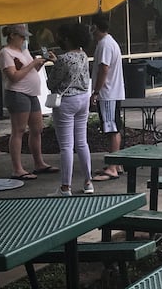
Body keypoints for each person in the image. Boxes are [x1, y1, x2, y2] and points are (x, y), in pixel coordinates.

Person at [0, 23, 58, 180]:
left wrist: (41, 62)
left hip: (32, 93)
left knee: (37, 128)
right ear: (12, 36)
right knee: (18, 130)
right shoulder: (6, 53)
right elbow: (14, 76)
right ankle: (17, 168)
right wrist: (33, 63)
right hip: (17, 93)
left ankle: (39, 163)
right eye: (21, 36)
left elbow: (31, 71)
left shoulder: (24, 51)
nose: (24, 39)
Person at [46, 23, 94, 196]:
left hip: (66, 102)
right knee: (82, 142)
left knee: (66, 146)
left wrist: (55, 64)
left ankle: (65, 187)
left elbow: (51, 83)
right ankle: (88, 182)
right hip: (83, 99)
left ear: (67, 38)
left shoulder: (65, 59)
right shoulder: (83, 55)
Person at [90, 14, 125, 181]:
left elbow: (104, 69)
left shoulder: (105, 44)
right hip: (112, 92)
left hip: (108, 93)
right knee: (113, 127)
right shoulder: (108, 42)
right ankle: (116, 163)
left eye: (91, 26)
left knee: (111, 129)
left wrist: (96, 91)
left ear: (95, 27)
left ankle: (112, 168)